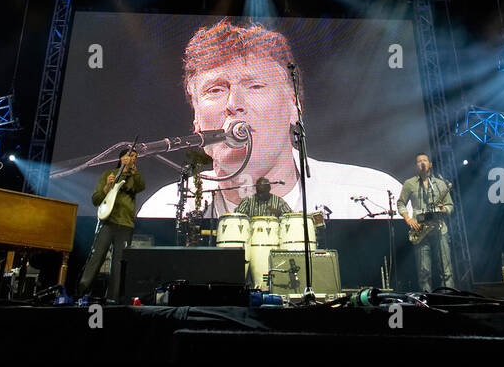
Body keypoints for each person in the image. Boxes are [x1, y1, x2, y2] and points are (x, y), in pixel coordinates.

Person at [136, 19, 401, 219]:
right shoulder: (165, 211)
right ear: (196, 119)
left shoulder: (375, 196)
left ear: (294, 107)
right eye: (215, 90)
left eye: (255, 86)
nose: (233, 104)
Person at [77, 148, 144, 303]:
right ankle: (82, 293)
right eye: (130, 155)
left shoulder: (134, 176)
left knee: (119, 263)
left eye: (135, 156)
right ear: (121, 158)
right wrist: (107, 187)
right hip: (107, 222)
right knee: (97, 257)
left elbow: (140, 186)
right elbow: (96, 199)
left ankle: (114, 298)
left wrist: (134, 172)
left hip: (125, 224)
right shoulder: (108, 174)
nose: (133, 158)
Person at [397, 152, 455, 291]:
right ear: (416, 166)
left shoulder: (440, 184)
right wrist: (408, 219)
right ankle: (426, 301)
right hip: (421, 230)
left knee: (446, 270)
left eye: (424, 160)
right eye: (419, 161)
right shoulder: (409, 184)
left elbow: (450, 205)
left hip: (440, 228)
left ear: (430, 164)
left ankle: (450, 298)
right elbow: (401, 204)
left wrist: (444, 209)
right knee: (424, 271)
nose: (422, 163)